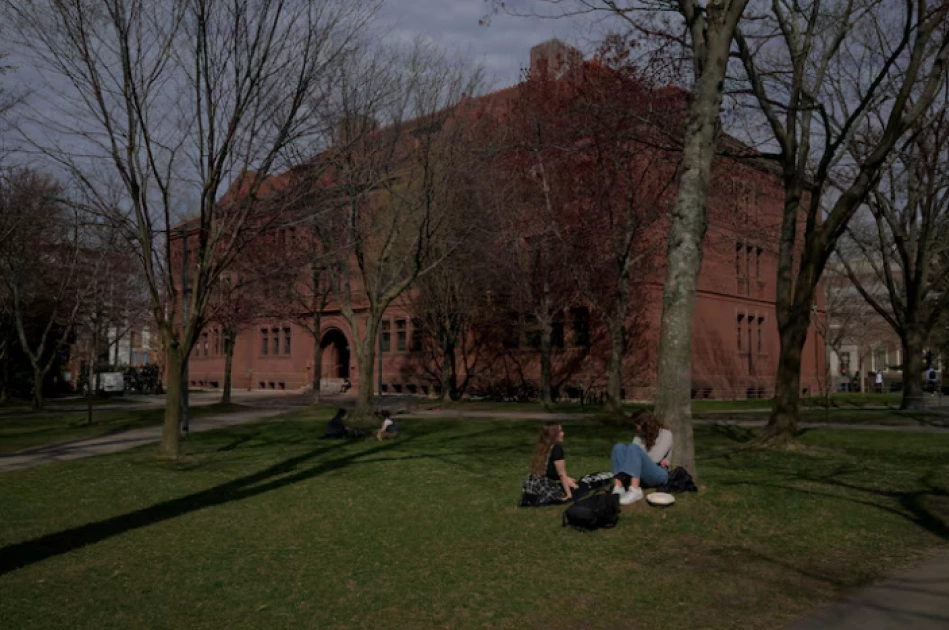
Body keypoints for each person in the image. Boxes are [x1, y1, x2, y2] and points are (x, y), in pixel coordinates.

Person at [611, 412, 672, 505]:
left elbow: (656, 458)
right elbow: (633, 456)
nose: (637, 428)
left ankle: (635, 490)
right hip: (641, 472)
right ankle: (618, 487)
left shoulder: (666, 434)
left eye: (638, 425)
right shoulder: (639, 436)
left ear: (646, 424)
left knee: (633, 448)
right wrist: (635, 457)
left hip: (659, 472)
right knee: (618, 447)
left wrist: (638, 456)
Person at [520, 423, 578, 506]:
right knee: (574, 486)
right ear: (554, 435)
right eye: (560, 431)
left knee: (570, 480)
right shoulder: (556, 448)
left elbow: (549, 471)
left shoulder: (543, 446)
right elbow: (562, 474)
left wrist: (568, 479)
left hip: (532, 485)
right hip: (544, 486)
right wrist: (569, 494)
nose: (563, 433)